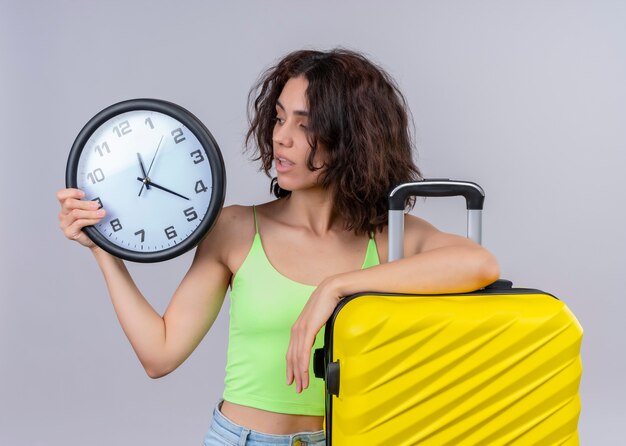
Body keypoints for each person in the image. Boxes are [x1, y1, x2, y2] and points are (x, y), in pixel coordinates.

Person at [57, 48, 500, 446]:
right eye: (279, 117)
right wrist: (104, 250)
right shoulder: (236, 228)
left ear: (352, 140)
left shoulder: (389, 238)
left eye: (304, 125)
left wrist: (334, 289)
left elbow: (478, 264)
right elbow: (160, 353)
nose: (281, 137)